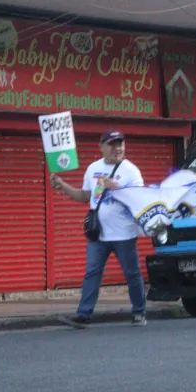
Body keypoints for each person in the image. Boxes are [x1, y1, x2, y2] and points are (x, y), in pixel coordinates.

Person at [51, 130, 147, 327]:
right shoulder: (93, 168)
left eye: (120, 144)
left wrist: (117, 188)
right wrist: (63, 186)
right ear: (102, 147)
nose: (117, 148)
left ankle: (139, 312)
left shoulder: (131, 171)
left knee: (132, 273)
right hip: (98, 233)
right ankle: (84, 313)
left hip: (124, 234)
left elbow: (140, 200)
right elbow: (85, 196)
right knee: (92, 272)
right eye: (112, 144)